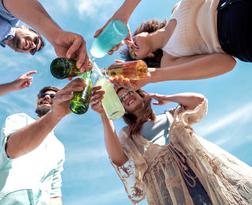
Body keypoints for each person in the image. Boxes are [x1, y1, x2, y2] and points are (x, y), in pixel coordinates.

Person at [90, 86, 252, 204]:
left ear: (142, 95)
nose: (126, 97)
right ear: (121, 108)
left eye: (129, 92)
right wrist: (105, 114)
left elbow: (198, 101)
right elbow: (118, 159)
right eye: (121, 99)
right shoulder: (129, 136)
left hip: (206, 175)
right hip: (173, 193)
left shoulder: (172, 114)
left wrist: (164, 97)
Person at [115, 0, 251, 90]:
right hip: (237, 33)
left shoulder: (176, 8)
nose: (132, 47)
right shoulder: (169, 60)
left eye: (130, 44)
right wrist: (154, 76)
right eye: (133, 54)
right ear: (147, 57)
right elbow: (227, 63)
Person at [0, 79, 86, 205]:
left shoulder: (58, 147)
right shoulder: (19, 119)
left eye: (53, 96)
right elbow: (13, 149)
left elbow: (54, 195)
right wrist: (55, 115)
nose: (46, 97)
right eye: (43, 95)